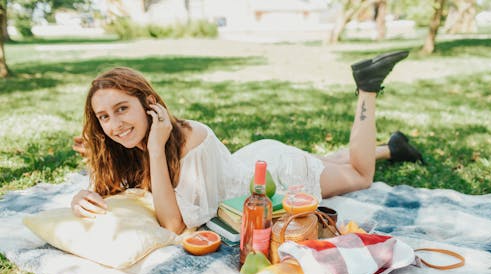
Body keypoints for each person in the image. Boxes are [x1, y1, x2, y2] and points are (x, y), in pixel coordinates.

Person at [71, 50, 423, 234]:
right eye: (104, 117)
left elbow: (174, 224)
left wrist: (153, 148)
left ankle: (367, 87)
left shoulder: (188, 138)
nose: (114, 124)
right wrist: (83, 195)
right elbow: (113, 187)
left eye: (122, 109)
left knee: (360, 175)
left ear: (149, 103)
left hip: (275, 178)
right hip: (255, 161)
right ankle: (393, 148)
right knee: (332, 162)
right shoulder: (120, 144)